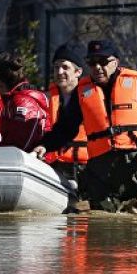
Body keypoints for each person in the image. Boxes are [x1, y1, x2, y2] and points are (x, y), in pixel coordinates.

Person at [32, 39, 137, 212]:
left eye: (103, 61)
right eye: (92, 62)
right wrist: (45, 146)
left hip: (132, 163)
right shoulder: (82, 92)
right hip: (99, 168)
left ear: (115, 62)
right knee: (101, 219)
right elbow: (65, 128)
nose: (97, 67)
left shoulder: (136, 84)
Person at [44, 42, 89, 182]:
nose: (59, 72)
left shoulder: (90, 98)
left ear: (78, 72)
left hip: (85, 165)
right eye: (56, 67)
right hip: (53, 164)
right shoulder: (46, 98)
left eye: (65, 67)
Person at [0, 51, 50, 152]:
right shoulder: (12, 100)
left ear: (0, 82)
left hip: (33, 163)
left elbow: (21, 145)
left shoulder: (22, 102)